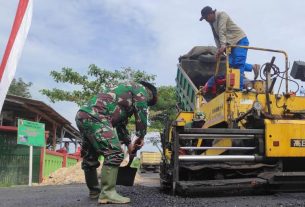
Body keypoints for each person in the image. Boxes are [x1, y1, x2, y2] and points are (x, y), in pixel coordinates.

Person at [75, 81, 157, 204]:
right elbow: (141, 113)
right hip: (97, 116)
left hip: (83, 116)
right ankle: (107, 193)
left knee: (90, 157)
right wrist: (141, 136)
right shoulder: (140, 89)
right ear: (149, 93)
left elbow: (120, 125)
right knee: (114, 153)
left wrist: (129, 144)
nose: (145, 101)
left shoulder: (122, 93)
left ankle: (94, 191)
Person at [199, 6, 260, 89]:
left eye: (206, 17)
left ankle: (238, 88)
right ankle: (253, 67)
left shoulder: (222, 15)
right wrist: (219, 50)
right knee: (230, 65)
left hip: (239, 40)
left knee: (238, 64)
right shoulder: (212, 23)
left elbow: (222, 31)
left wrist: (223, 45)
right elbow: (216, 37)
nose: (206, 20)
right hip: (230, 45)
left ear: (210, 13)